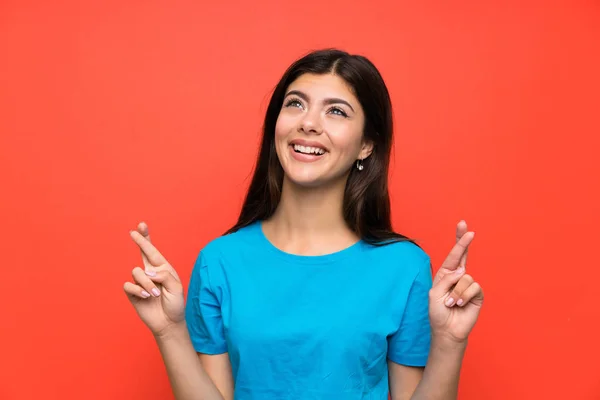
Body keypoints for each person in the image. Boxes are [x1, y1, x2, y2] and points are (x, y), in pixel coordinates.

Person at [123, 48, 484, 400]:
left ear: (366, 146)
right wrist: (170, 330)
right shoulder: (220, 261)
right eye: (295, 103)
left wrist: (450, 344)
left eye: (336, 112)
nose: (308, 123)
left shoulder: (404, 266)